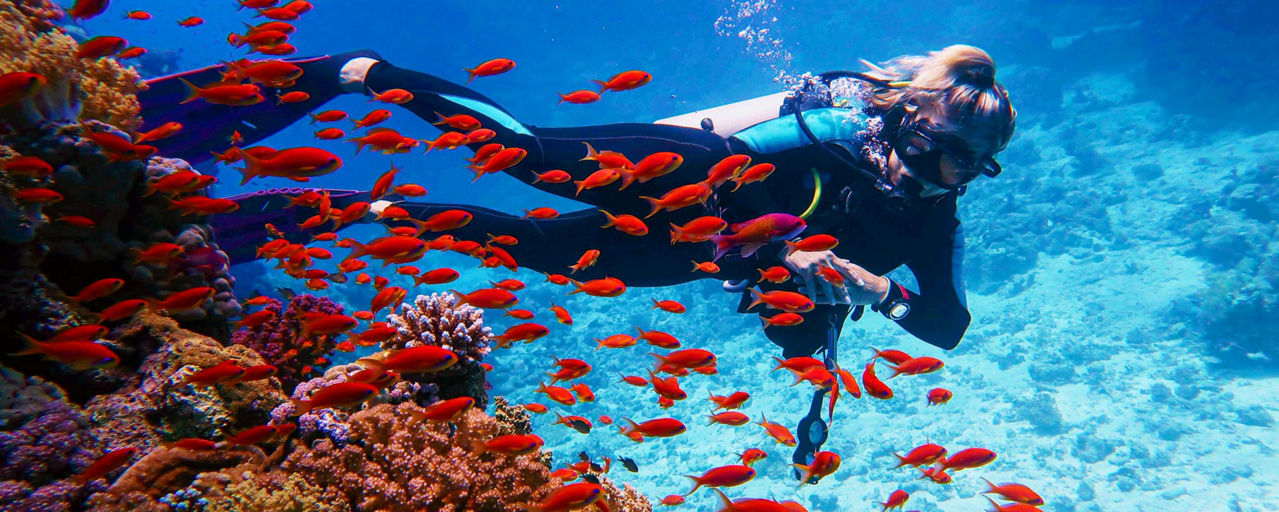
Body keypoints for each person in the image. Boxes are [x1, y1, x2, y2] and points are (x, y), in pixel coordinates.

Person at [140, 44, 1016, 477]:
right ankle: (354, 73)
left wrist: (874, 293)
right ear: (906, 118)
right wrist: (782, 248)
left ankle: (340, 208)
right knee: (525, 150)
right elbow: (733, 152)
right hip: (686, 179)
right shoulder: (835, 131)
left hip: (692, 253)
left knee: (532, 251)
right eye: (940, 148)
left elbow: (946, 325)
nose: (947, 174)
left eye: (970, 165)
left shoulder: (932, 227)